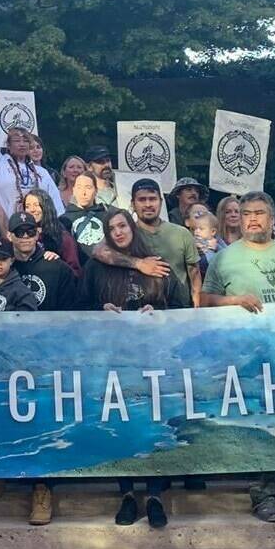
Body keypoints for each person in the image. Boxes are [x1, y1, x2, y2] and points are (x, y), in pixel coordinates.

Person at [201, 191, 275, 523]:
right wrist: (234, 300)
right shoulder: (224, 259)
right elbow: (205, 300)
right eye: (247, 212)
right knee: (259, 423)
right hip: (247, 357)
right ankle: (264, 494)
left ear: (271, 219)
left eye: (259, 213)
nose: (253, 218)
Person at [82, 209, 188, 529]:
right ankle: (127, 493)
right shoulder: (95, 268)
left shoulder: (158, 264)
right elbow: (76, 306)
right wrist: (100, 310)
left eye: (122, 225)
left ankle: (155, 494)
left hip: (153, 358)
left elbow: (184, 308)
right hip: (113, 359)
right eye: (111, 228)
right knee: (122, 423)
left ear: (132, 227)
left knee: (154, 422)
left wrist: (157, 311)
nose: (118, 232)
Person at [90, 179, 199, 307]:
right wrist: (139, 264)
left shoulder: (182, 233)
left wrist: (197, 304)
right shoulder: (127, 234)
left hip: (180, 308)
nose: (148, 204)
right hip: (146, 308)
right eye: (142, 200)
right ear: (133, 204)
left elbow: (194, 272)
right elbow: (99, 251)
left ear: (161, 202)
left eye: (152, 199)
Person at [0, 90, 65, 224]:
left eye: (26, 141)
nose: (22, 144)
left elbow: (56, 204)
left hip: (37, 229)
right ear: (8, 145)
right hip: (5, 228)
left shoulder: (41, 172)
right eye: (16, 141)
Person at [8, 213, 78, 312]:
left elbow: (70, 310)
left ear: (37, 235)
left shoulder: (58, 268)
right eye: (19, 232)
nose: (25, 236)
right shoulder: (3, 268)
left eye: (30, 232)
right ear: (9, 236)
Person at [22, 189, 81, 274]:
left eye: (36, 205)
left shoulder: (62, 237)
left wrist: (58, 262)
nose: (32, 210)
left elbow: (75, 271)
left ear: (46, 207)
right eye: (27, 206)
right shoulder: (21, 236)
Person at [61, 171, 107, 263]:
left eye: (88, 187)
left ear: (96, 190)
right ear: (73, 190)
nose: (83, 193)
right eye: (79, 187)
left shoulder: (108, 216)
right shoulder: (64, 220)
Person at [190, 209, 222, 276]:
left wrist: (216, 247)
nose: (197, 231)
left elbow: (227, 252)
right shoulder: (194, 241)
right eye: (195, 229)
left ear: (213, 232)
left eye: (201, 229)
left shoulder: (218, 241)